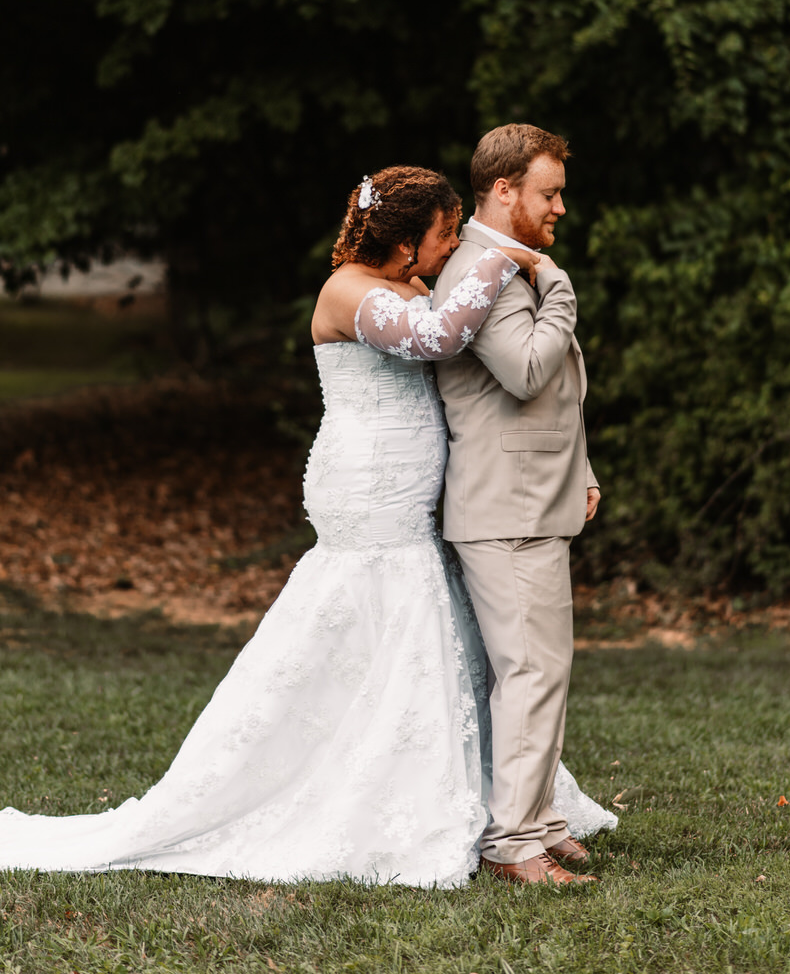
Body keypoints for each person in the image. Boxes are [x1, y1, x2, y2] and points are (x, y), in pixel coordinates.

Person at [0, 165, 615, 887]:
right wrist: (506, 257)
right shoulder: (347, 290)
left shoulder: (417, 282)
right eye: (446, 236)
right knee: (373, 613)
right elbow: (437, 340)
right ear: (408, 239)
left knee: (436, 629)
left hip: (418, 492)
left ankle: (491, 804)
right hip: (366, 486)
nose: (454, 249)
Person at [433, 124, 603, 885]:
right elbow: (529, 371)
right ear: (504, 190)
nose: (560, 206)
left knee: (546, 669)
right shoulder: (487, 270)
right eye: (549, 192)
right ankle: (511, 847)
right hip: (504, 508)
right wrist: (560, 285)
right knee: (528, 672)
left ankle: (539, 819)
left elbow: (556, 395)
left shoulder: (511, 265)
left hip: (538, 500)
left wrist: (585, 469)